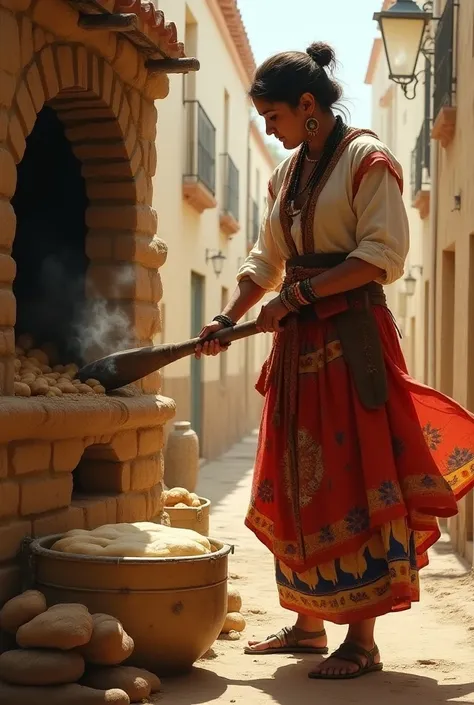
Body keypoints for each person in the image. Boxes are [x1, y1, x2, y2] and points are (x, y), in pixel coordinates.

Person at [195, 42, 474, 680]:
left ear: (308, 105)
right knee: (298, 479)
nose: (269, 128)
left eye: (275, 116)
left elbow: (381, 256)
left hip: (351, 344)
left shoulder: (367, 162)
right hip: (297, 348)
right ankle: (307, 623)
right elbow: (265, 260)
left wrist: (303, 293)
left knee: (355, 476)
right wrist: (228, 317)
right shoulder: (284, 175)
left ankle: (362, 641)